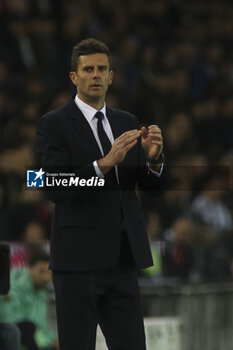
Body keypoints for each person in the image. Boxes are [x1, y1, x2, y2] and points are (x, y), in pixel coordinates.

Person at [36, 38, 165, 350]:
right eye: (88, 69)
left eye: (101, 69)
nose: (95, 75)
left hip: (122, 258)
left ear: (111, 76)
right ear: (74, 76)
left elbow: (146, 187)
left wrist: (155, 160)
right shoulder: (54, 124)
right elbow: (53, 185)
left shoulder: (127, 122)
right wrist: (102, 164)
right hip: (77, 262)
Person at [0, 250, 58, 350]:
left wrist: (53, 340)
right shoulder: (11, 286)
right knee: (28, 327)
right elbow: (10, 321)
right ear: (30, 268)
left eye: (49, 273)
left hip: (26, 336)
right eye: (41, 271)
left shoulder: (41, 292)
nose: (46, 277)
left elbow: (40, 322)